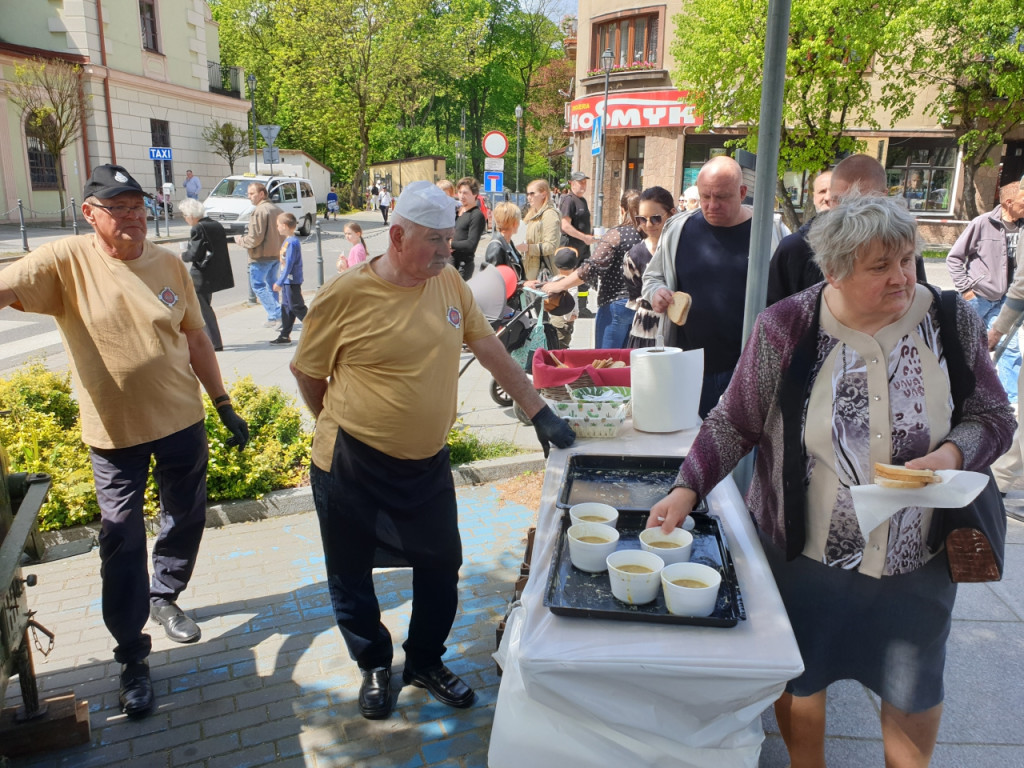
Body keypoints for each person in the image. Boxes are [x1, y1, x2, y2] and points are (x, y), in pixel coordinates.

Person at [648, 194, 1014, 768]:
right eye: (879, 267)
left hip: (916, 561)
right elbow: (734, 419)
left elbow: (994, 418)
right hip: (804, 557)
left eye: (908, 260)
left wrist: (949, 455)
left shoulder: (951, 320)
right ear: (835, 272)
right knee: (801, 679)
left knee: (914, 687)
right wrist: (685, 488)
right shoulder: (787, 325)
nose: (901, 278)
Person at [288, 181, 575, 721]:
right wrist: (340, 420)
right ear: (397, 235)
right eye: (436, 242)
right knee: (350, 573)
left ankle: (423, 661)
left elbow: (488, 346)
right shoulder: (345, 293)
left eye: (450, 240)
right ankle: (373, 663)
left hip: (425, 464)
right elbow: (307, 372)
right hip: (350, 461)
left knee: (442, 565)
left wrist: (539, 411)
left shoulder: (447, 283)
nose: (448, 253)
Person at [0, 164, 250, 719]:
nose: (134, 217)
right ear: (91, 214)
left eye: (139, 206)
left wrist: (223, 403)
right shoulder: (66, 261)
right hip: (114, 434)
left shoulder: (167, 263)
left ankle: (165, 595)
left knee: (186, 515)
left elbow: (196, 336)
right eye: (120, 209)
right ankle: (131, 655)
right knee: (120, 538)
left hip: (182, 419)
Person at [643, 156, 785, 417]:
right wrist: (657, 293)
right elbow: (652, 278)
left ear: (742, 193)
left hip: (750, 369)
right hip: (691, 367)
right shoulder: (679, 228)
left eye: (721, 197)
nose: (711, 205)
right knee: (691, 448)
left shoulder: (770, 231)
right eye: (705, 196)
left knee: (745, 454)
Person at [768, 156, 927, 306]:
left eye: (862, 202)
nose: (850, 212)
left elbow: (916, 302)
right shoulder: (796, 248)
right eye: (841, 202)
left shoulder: (902, 245)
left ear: (883, 197)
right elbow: (772, 315)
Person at [946, 182, 1024, 404]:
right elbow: (954, 258)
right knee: (963, 346)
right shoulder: (982, 223)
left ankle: (1012, 402)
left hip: (1006, 302)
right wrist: (967, 289)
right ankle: (955, 394)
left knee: (1009, 348)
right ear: (1009, 202)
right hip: (978, 299)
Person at [536, 190, 642, 348]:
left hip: (615, 303)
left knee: (607, 361)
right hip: (641, 305)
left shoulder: (616, 235)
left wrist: (558, 285)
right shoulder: (648, 235)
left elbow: (591, 268)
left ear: (622, 210)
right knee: (633, 362)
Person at [179, 197, 234, 351]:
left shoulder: (197, 228)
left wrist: (183, 255)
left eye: (184, 216)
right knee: (204, 305)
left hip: (201, 275)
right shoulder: (215, 224)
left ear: (190, 215)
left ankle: (214, 342)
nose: (185, 219)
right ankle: (210, 339)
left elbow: (195, 253)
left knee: (202, 308)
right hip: (214, 273)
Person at [625, 186, 677, 348]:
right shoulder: (634, 255)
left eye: (655, 218)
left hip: (680, 329)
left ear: (672, 214)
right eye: (642, 219)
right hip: (645, 331)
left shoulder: (683, 248)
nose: (648, 225)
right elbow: (635, 298)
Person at [236, 182, 284, 328]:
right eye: (248, 193)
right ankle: (274, 316)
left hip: (261, 255)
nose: (249, 196)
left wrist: (241, 241)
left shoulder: (260, 211)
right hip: (275, 253)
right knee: (271, 285)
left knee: (258, 285)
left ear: (262, 194)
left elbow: (255, 237)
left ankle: (277, 313)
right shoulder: (276, 209)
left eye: (252, 193)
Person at [559, 171, 598, 316]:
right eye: (580, 182)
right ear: (572, 183)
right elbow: (565, 226)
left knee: (584, 276)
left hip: (583, 247)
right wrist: (584, 237)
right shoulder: (568, 200)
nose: (583, 185)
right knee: (569, 279)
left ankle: (582, 307)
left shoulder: (583, 200)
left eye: (585, 182)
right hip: (571, 247)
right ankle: (567, 308)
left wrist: (590, 236)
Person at [270, 213, 308, 346]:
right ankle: (285, 335)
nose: (277, 228)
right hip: (287, 280)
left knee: (297, 306)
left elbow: (289, 263)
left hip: (292, 280)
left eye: (278, 225)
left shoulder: (292, 242)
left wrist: (280, 281)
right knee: (287, 307)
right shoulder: (287, 241)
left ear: (285, 226)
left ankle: (317, 327)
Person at [519, 179, 561, 279]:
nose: (529, 197)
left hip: (542, 272)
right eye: (527, 194)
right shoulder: (531, 214)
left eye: (532, 194)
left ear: (543, 194)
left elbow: (551, 246)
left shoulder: (549, 214)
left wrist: (528, 248)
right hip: (529, 269)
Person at [453, 177, 486, 280]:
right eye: (459, 192)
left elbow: (471, 244)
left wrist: (450, 244)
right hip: (450, 263)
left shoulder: (476, 215)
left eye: (465, 193)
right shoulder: (456, 212)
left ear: (475, 194)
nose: (462, 196)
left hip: (463, 265)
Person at [546, 246, 580, 349]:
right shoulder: (571, 282)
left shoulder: (554, 279)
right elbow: (572, 300)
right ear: (574, 265)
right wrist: (569, 317)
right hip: (564, 322)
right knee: (562, 346)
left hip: (554, 318)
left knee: (554, 344)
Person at [484, 201, 524, 279]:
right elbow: (496, 281)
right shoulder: (496, 248)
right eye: (519, 220)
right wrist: (523, 284)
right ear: (515, 223)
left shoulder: (508, 242)